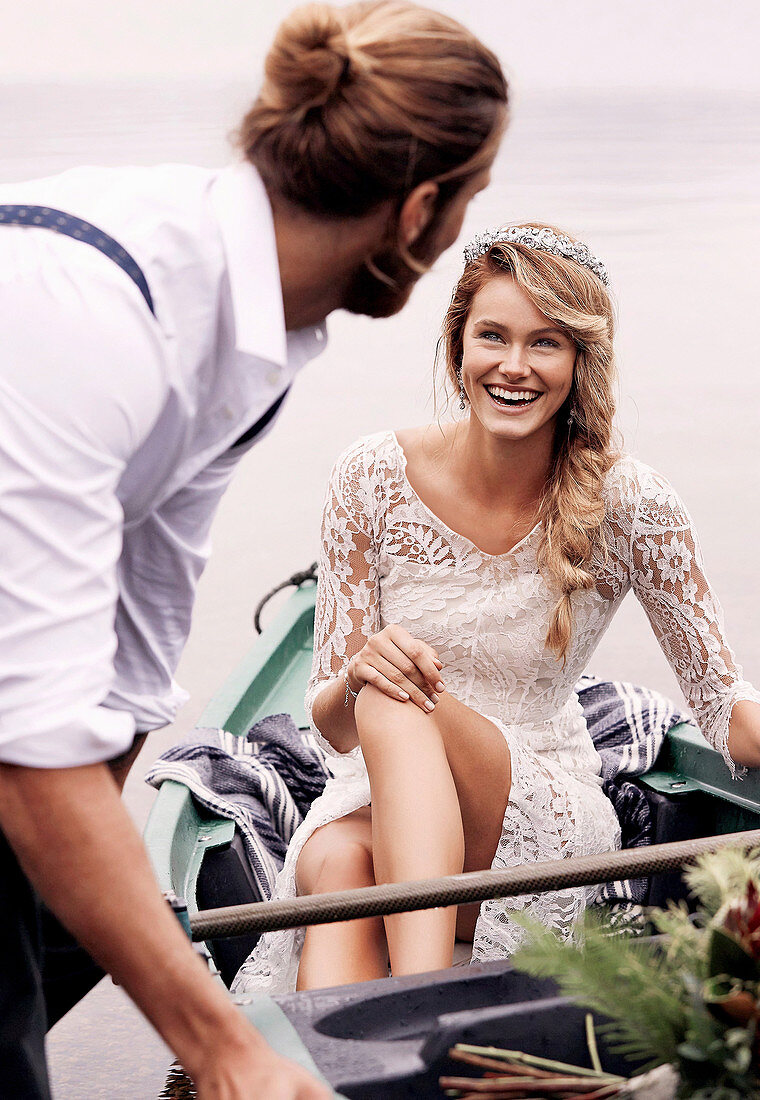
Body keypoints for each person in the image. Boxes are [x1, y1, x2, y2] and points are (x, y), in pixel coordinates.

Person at [0, 2, 508, 1096]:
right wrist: (227, 1047)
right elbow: (31, 743)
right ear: (420, 209)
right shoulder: (88, 308)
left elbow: (132, 663)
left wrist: (88, 887)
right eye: (467, 205)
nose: (457, 231)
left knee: (82, 926)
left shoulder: (253, 333)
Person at [233, 222, 760, 997]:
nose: (513, 366)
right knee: (334, 860)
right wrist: (355, 674)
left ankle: (412, 1002)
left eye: (546, 343)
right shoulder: (370, 476)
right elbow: (331, 723)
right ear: (458, 348)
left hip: (530, 807)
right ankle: (363, 1061)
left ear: (581, 360)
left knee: (395, 694)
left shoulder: (631, 502)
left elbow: (721, 702)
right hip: (377, 799)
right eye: (493, 335)